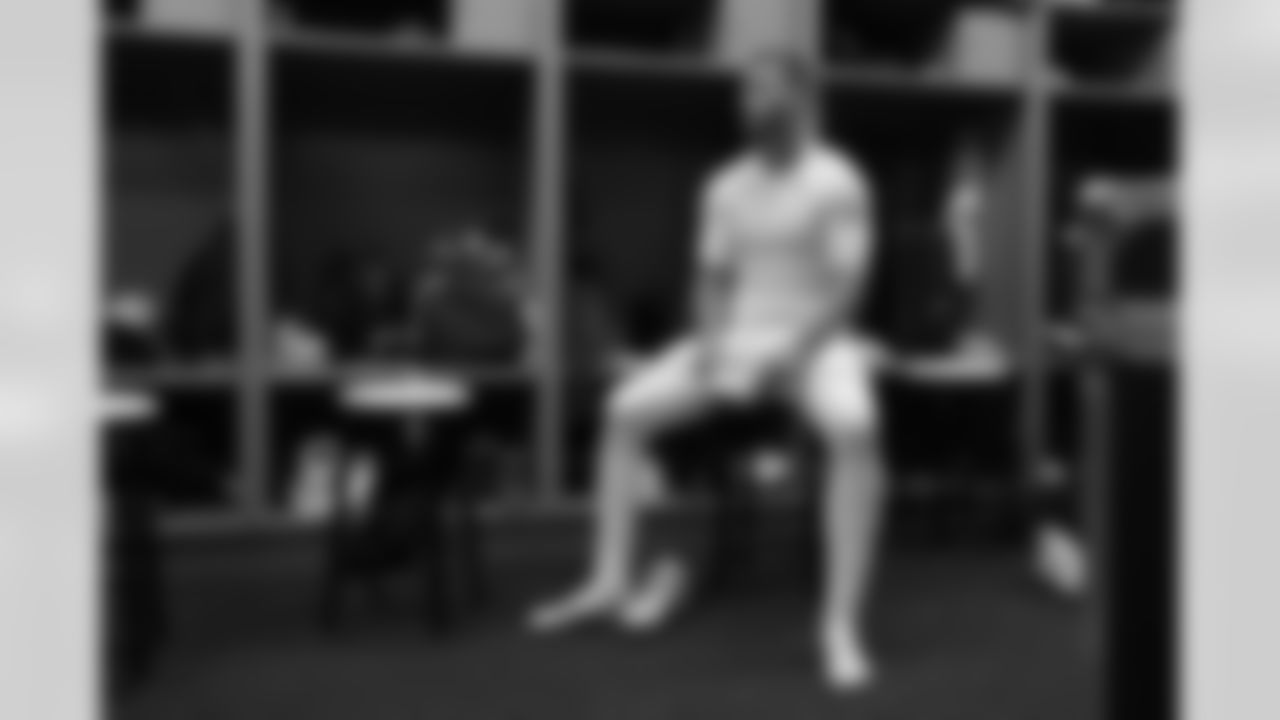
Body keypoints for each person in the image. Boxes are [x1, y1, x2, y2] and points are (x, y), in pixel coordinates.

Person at [527, 50, 887, 692]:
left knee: (856, 428)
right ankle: (608, 580)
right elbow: (710, 279)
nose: (748, 103)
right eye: (744, 93)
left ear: (802, 98)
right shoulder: (724, 186)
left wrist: (794, 354)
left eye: (763, 91)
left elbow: (848, 290)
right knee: (622, 412)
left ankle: (839, 625)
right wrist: (714, 343)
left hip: (816, 340)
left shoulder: (838, 180)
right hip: (740, 335)